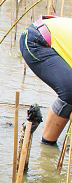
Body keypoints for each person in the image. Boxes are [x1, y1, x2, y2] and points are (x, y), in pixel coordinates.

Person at [20, 16, 72, 145]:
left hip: (45, 36)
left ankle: (50, 146)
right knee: (69, 90)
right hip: (36, 39)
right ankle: (48, 145)